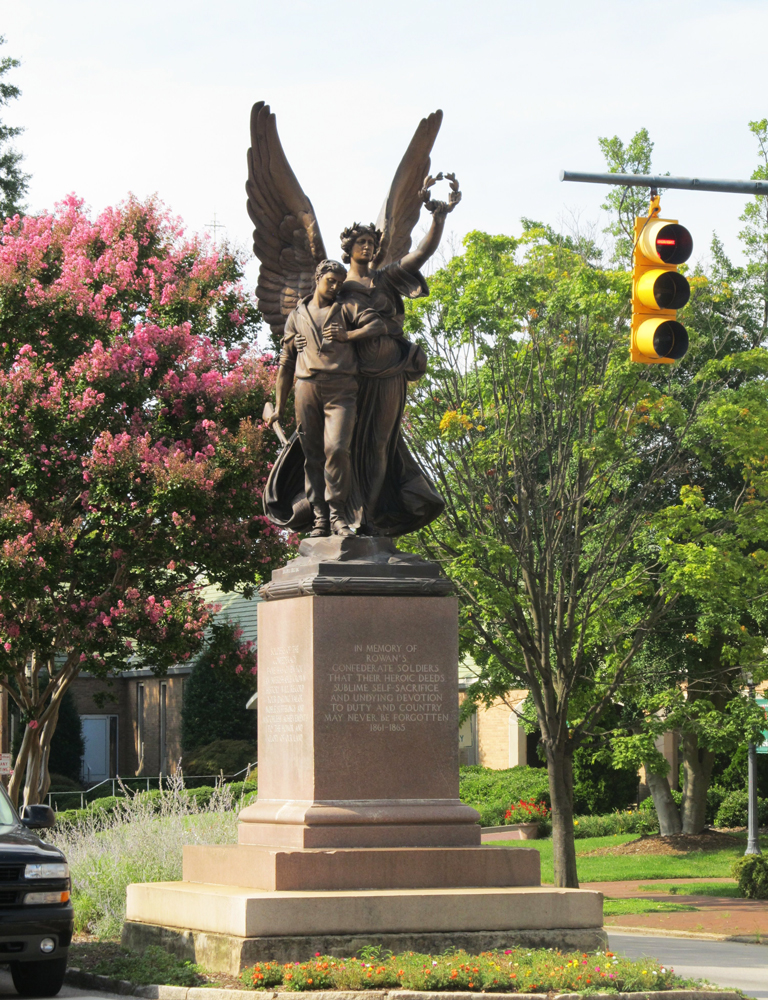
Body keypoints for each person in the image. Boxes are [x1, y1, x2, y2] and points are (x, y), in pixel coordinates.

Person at [336, 207, 455, 535]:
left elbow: (422, 252)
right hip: (352, 376)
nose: (367, 247)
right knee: (342, 444)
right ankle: (341, 515)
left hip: (391, 373)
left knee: (381, 443)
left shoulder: (386, 277)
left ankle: (369, 517)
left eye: (372, 242)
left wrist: (439, 219)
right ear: (348, 247)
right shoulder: (337, 287)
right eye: (361, 241)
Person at [269, 259, 385, 537]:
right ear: (317, 279)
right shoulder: (297, 315)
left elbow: (378, 325)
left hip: (341, 389)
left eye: (338, 283)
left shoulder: (346, 307)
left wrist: (349, 335)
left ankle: (338, 515)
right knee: (313, 456)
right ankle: (320, 517)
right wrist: (278, 406)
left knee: (337, 449)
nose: (334, 287)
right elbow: (285, 364)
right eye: (329, 281)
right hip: (306, 389)